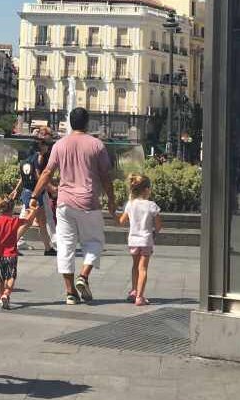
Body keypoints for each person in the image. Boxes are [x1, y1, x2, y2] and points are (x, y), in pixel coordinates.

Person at [30, 107, 116, 306]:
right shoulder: (97, 145)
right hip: (88, 202)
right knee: (94, 241)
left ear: (70, 122)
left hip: (64, 203)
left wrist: (35, 195)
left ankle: (70, 293)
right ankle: (84, 276)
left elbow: (47, 173)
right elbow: (105, 176)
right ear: (87, 123)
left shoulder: (60, 145)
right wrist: (111, 199)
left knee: (65, 247)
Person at [119, 172, 163, 306]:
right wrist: (154, 232)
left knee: (135, 266)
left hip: (133, 240)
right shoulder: (151, 205)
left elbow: (122, 221)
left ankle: (134, 290)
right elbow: (159, 225)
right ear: (146, 189)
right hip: (146, 241)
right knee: (142, 268)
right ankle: (140, 297)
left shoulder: (130, 204)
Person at [10, 139, 56, 255]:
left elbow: (23, 177)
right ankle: (11, 245)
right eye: (46, 144)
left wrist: (16, 189)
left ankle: (48, 248)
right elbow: (38, 175)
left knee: (42, 221)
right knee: (28, 221)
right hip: (34, 194)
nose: (48, 147)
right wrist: (51, 188)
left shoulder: (26, 160)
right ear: (40, 147)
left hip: (28, 192)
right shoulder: (37, 158)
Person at [0, 194, 34, 310]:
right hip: (12, 254)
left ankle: (0, 296)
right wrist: (33, 211)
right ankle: (6, 294)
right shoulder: (14, 221)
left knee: (1, 277)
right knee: (11, 276)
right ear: (12, 208)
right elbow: (28, 222)